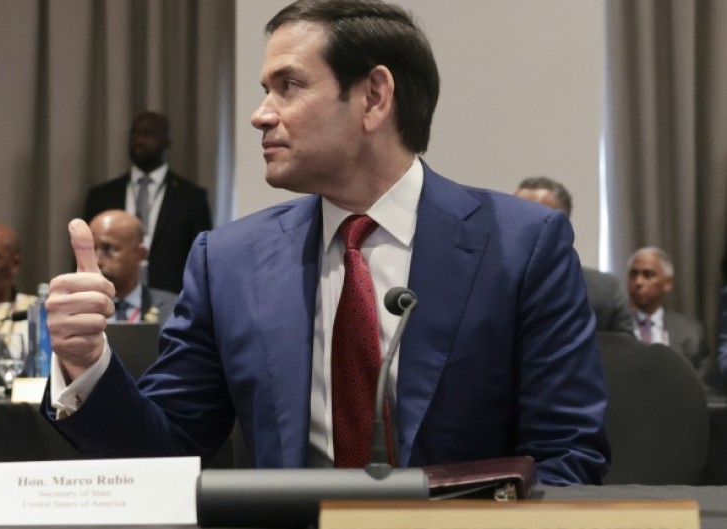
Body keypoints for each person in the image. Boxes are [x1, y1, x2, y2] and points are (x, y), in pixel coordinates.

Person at [44, 0, 609, 485]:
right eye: (264, 90)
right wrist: (85, 362)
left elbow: (565, 458)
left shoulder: (521, 246)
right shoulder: (229, 262)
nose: (259, 115)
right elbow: (164, 454)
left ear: (373, 97)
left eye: (287, 86)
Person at [81, 111, 212, 294]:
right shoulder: (102, 195)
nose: (140, 140)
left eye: (149, 134)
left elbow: (201, 259)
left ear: (167, 142)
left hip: (172, 301)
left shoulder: (191, 197)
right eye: (135, 133)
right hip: (109, 298)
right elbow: (85, 252)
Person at [514, 177, 633, 334]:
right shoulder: (487, 282)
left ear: (564, 226)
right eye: (516, 215)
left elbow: (625, 352)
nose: (521, 225)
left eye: (533, 218)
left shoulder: (605, 291)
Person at [627, 246, 716, 387]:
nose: (638, 282)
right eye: (633, 274)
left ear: (667, 283)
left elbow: (701, 388)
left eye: (648, 274)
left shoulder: (692, 332)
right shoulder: (613, 327)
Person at [88, 210, 176, 324]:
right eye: (90, 249)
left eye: (108, 249)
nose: (96, 260)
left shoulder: (174, 309)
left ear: (140, 254)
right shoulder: (72, 309)